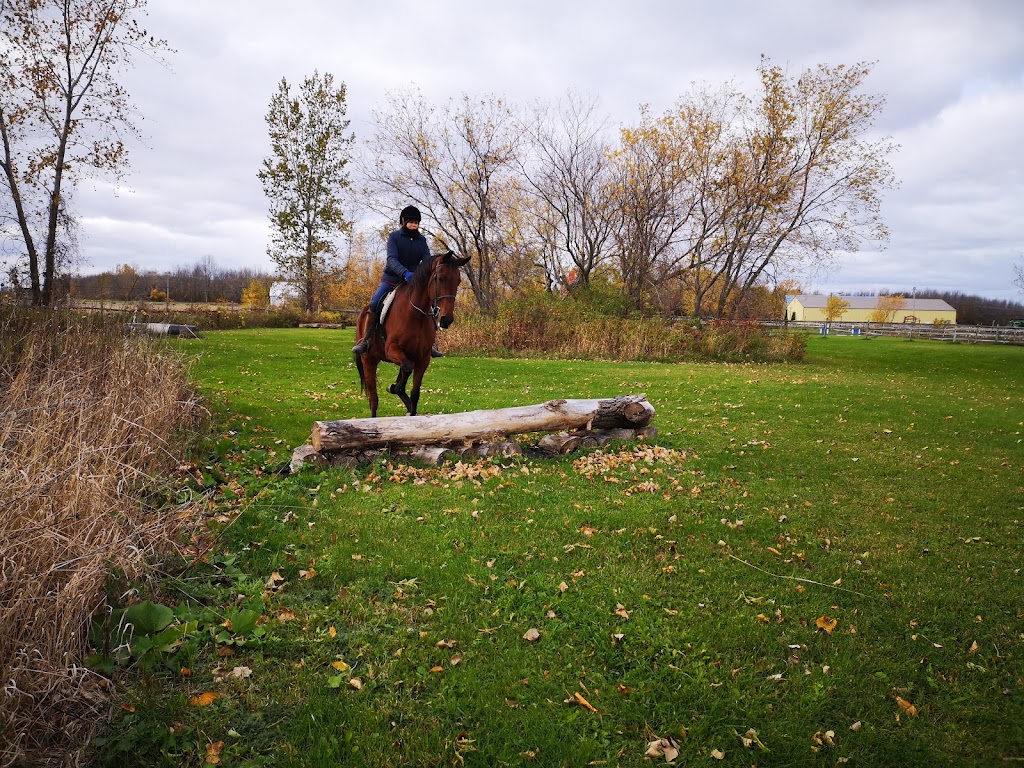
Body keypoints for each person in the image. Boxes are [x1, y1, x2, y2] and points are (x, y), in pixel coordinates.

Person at [352, 205, 443, 356]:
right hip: (392, 279)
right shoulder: (394, 237)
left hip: (413, 281)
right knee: (375, 303)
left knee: (431, 304)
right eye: (411, 222)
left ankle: (430, 344)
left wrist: (424, 273)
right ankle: (367, 340)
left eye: (416, 222)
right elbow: (391, 259)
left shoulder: (422, 240)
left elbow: (426, 260)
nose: (414, 225)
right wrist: (405, 273)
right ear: (403, 221)